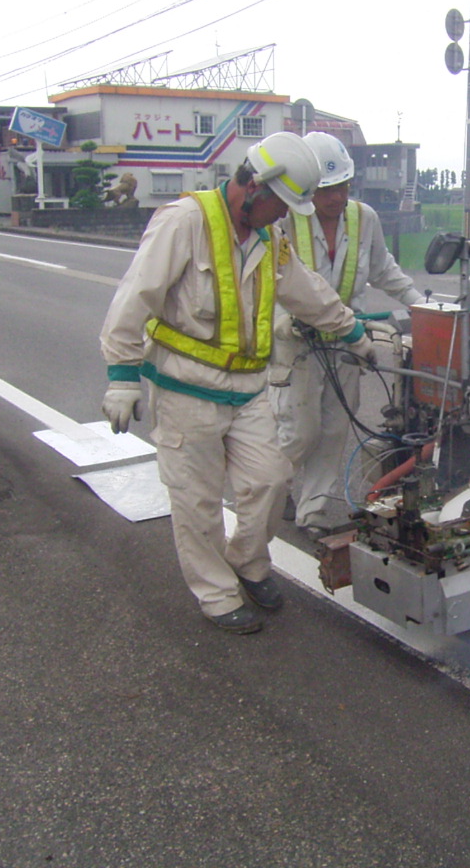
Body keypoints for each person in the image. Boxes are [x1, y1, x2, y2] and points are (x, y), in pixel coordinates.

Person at [99, 131, 377, 635]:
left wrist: (353, 331)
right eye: (281, 205)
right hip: (186, 390)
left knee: (270, 481)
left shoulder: (270, 238)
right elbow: (135, 296)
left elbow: (306, 293)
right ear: (255, 187)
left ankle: (248, 563)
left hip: (248, 389)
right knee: (197, 500)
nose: (284, 216)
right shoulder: (185, 221)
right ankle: (217, 592)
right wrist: (121, 376)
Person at [269, 132, 422, 534]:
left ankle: (313, 512)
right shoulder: (284, 219)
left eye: (342, 187)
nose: (335, 198)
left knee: (335, 429)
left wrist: (420, 305)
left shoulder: (363, 217)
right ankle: (270, 489)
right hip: (297, 343)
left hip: (348, 339)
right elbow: (264, 280)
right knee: (299, 431)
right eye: (325, 190)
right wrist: (279, 322)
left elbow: (383, 267)